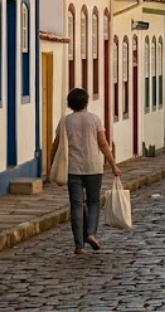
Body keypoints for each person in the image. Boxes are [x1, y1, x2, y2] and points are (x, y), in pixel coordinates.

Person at [49, 88, 122, 255]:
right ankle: (91, 233)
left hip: (73, 168)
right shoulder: (94, 119)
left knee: (76, 204)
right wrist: (113, 165)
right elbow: (103, 144)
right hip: (94, 167)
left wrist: (51, 163)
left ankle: (79, 245)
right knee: (94, 202)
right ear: (86, 102)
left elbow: (56, 144)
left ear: (70, 103)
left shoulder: (65, 121)